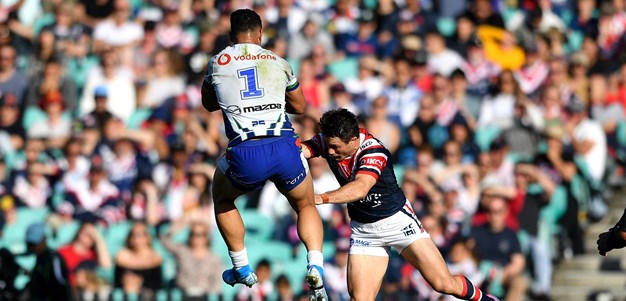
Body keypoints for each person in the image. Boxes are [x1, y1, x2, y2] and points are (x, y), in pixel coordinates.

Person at [300, 109, 498, 301]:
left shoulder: (374, 151)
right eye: (328, 145)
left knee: (443, 284)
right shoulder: (329, 141)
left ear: (353, 140)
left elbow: (360, 188)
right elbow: (301, 150)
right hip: (364, 230)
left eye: (335, 147)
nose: (330, 151)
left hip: (398, 222)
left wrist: (320, 198)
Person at [201, 8, 327, 300]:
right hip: (283, 145)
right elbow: (300, 106)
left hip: (246, 150)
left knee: (222, 198)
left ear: (232, 37)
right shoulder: (277, 61)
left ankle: (241, 267)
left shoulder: (217, 62)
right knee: (306, 205)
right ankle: (315, 265)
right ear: (260, 33)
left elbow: (208, 104)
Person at [23, 222, 72, 301]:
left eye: (35, 244)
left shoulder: (54, 259)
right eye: (30, 244)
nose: (32, 247)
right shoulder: (40, 257)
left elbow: (61, 285)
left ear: (44, 239)